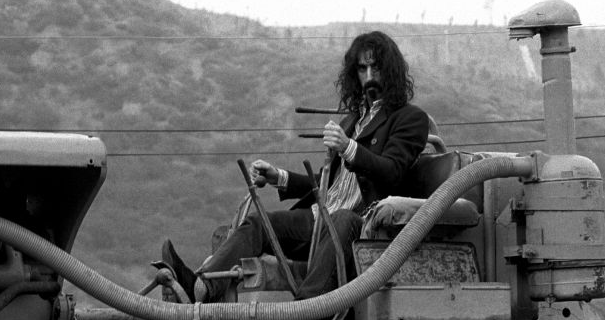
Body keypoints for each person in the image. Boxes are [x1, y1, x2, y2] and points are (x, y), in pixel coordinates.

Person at [163, 31, 429, 301]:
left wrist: (349, 147)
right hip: (321, 218)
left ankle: (307, 309)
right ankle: (198, 288)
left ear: (391, 70)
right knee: (259, 222)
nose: (369, 76)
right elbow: (328, 183)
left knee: (342, 218)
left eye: (376, 67)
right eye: (362, 68)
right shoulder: (353, 120)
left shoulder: (410, 119)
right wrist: (278, 177)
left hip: (362, 226)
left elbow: (392, 172)